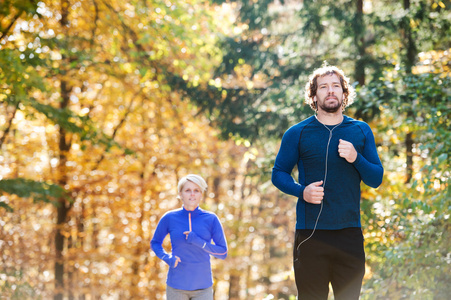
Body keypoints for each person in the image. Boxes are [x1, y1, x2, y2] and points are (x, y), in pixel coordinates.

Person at [271, 64, 383, 300]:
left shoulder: (360, 131)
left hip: (349, 234)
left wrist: (356, 158)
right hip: (311, 235)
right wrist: (302, 192)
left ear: (344, 93)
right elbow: (279, 173)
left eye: (336, 86)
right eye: (323, 87)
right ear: (314, 95)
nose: (330, 91)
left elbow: (376, 178)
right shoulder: (297, 133)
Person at [151, 174, 228, 300]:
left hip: (203, 288)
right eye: (188, 190)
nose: (192, 194)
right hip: (176, 287)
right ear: (180, 194)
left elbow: (223, 252)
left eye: (196, 190)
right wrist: (167, 258)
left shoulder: (211, 219)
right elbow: (155, 243)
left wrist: (198, 241)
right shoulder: (169, 217)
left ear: (201, 194)